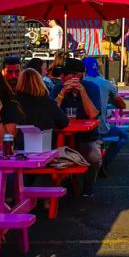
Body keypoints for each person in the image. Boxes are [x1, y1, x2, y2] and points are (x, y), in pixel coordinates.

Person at [49, 58, 102, 197]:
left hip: (86, 137)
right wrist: (61, 94)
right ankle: (56, 192)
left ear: (78, 76)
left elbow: (93, 115)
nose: (62, 78)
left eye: (66, 75)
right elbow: (50, 114)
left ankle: (88, 188)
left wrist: (82, 92)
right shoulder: (57, 88)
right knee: (50, 160)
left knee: (94, 157)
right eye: (63, 75)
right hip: (61, 138)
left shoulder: (92, 88)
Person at [82, 57, 128, 162]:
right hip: (100, 128)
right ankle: (106, 162)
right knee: (123, 136)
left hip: (81, 128)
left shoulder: (78, 83)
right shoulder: (106, 83)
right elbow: (122, 105)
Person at [15, 69, 68, 141]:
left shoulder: (14, 102)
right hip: (46, 146)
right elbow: (64, 122)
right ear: (39, 82)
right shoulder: (47, 102)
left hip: (20, 145)